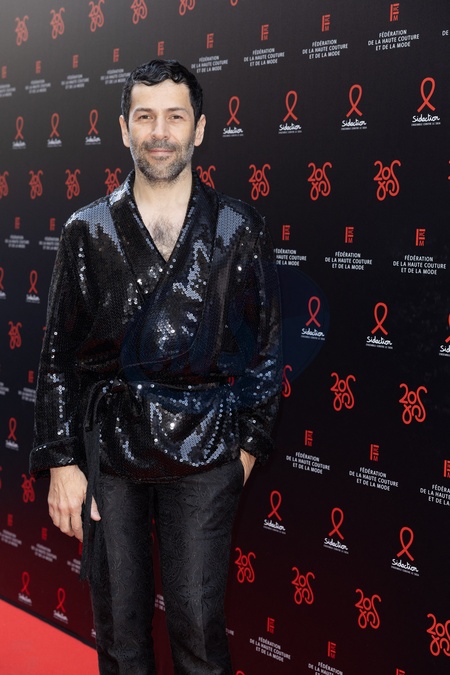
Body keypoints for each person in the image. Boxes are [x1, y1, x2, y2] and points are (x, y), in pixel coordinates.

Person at [30, 59, 282, 675]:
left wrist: (246, 451)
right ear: (124, 129)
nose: (160, 131)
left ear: (200, 129)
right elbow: (58, 355)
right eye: (145, 117)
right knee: (120, 628)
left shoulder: (238, 226)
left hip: (207, 447)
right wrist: (62, 460)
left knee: (198, 629)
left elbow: (266, 350)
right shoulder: (86, 229)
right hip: (111, 449)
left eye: (175, 116)